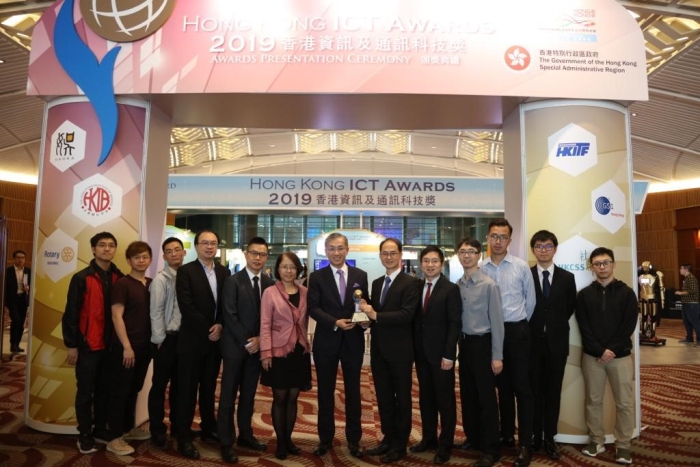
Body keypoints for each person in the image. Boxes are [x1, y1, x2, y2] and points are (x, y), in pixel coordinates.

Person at [307, 232, 369, 458]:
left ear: (347, 249)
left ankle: (354, 439)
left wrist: (364, 321)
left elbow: (363, 304)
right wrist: (335, 322)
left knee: (353, 392)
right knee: (325, 392)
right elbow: (313, 308)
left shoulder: (360, 275)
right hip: (327, 341)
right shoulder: (316, 277)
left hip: (353, 342)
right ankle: (325, 439)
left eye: (340, 248)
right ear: (326, 250)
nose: (336, 252)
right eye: (331, 248)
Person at [480, 218, 536, 467]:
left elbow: (531, 303)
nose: (498, 241)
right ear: (488, 238)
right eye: (494, 236)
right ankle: (506, 435)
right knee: (501, 388)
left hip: (517, 332)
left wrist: (516, 326)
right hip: (492, 334)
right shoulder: (481, 267)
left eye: (503, 237)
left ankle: (525, 443)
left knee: (522, 388)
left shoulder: (521, 266)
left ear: (510, 241)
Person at [62, 232, 123, 454]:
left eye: (111, 245)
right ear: (93, 250)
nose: (107, 249)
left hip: (111, 346)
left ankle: (99, 429)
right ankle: (84, 433)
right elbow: (71, 313)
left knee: (105, 390)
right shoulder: (81, 277)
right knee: (85, 391)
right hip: (88, 346)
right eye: (102, 245)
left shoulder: (119, 276)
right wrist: (72, 344)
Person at [576, 247, 637, 465]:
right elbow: (584, 327)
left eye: (606, 262)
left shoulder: (627, 293)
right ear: (591, 266)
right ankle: (596, 441)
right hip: (592, 358)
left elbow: (628, 325)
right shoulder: (583, 295)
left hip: (620, 357)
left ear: (613, 264)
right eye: (597, 263)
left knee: (624, 403)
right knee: (593, 401)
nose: (602, 267)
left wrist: (610, 350)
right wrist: (599, 351)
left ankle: (623, 446)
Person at [360, 238, 419, 463]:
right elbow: (375, 313)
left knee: (402, 398)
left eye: (393, 253)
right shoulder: (376, 283)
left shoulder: (411, 283)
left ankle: (400, 444)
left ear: (400, 255)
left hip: (401, 351)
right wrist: (366, 321)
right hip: (379, 351)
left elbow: (406, 315)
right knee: (383, 397)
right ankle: (387, 437)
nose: (389, 257)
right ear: (380, 256)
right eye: (385, 253)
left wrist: (375, 316)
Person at [174, 230, 230, 460]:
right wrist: (210, 328)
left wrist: (220, 325)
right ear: (196, 246)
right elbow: (186, 306)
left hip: (215, 343)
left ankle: (209, 428)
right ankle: (183, 437)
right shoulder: (186, 272)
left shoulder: (225, 272)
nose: (209, 247)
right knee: (187, 391)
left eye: (213, 243)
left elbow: (227, 304)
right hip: (192, 342)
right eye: (205, 243)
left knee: (208, 389)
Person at [218, 237, 274, 463]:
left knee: (249, 396)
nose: (257, 258)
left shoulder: (270, 283)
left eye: (262, 254)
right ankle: (225, 441)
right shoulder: (233, 281)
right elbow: (229, 314)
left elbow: (271, 316)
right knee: (227, 397)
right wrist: (248, 341)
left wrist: (261, 339)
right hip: (235, 348)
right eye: (253, 253)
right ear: (246, 254)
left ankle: (246, 435)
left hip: (257, 350)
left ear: (266, 257)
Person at [410, 246, 461, 464]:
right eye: (426, 261)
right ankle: (429, 438)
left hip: (442, 356)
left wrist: (449, 355)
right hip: (421, 354)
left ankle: (446, 444)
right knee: (426, 399)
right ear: (421, 264)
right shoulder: (417, 286)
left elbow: (454, 324)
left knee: (445, 400)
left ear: (441, 264)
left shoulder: (450, 289)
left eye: (434, 261)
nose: (430, 265)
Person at [455, 238, 504, 467]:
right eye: (463, 252)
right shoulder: (458, 284)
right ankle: (473, 438)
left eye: (471, 252)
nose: (466, 256)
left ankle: (491, 448)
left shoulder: (489, 285)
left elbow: (497, 324)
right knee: (468, 395)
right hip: (464, 346)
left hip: (483, 346)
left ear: (478, 255)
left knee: (486, 399)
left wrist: (497, 356)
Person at [528, 230, 577, 459]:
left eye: (548, 246)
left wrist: (552, 327)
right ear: (533, 250)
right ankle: (535, 437)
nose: (544, 250)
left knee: (553, 393)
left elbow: (568, 308)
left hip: (557, 346)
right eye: (539, 246)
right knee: (534, 393)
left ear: (555, 249)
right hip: (532, 346)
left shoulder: (567, 278)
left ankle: (550, 438)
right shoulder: (526, 275)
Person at [260, 252, 312, 460]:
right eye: (284, 267)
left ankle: (288, 439)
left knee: (293, 396)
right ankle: (280, 442)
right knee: (279, 396)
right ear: (278, 269)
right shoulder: (270, 293)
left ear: (298, 269)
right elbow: (264, 324)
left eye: (292, 267)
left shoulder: (306, 292)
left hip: (299, 350)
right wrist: (265, 352)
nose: (288, 271)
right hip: (278, 351)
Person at [105, 241, 154, 456]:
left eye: (145, 257)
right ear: (128, 261)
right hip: (126, 348)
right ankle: (114, 437)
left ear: (150, 259)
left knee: (134, 389)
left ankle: (128, 429)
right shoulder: (123, 284)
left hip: (145, 347)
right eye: (137, 257)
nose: (141, 261)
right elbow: (116, 316)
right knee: (120, 392)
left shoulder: (151, 283)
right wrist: (126, 346)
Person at [148, 237, 187, 449]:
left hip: (184, 341)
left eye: (177, 250)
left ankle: (178, 427)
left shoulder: (188, 276)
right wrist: (159, 339)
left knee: (180, 387)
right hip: (166, 340)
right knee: (159, 386)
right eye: (169, 251)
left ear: (184, 253)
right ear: (164, 256)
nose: (174, 253)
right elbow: (156, 312)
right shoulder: (161, 280)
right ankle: (157, 429)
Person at [4, 250, 30, 353]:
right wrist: (5, 304)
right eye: (18, 258)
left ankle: (17, 344)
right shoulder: (8, 271)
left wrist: (28, 288)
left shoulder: (28, 271)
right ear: (14, 259)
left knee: (21, 323)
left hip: (23, 299)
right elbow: (5, 288)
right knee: (16, 320)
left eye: (23, 258)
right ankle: (13, 343)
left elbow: (31, 284)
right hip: (13, 300)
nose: (21, 260)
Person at [676, 264, 700, 345]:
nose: (680, 270)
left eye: (681, 268)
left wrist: (681, 293)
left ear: (686, 269)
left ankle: (699, 340)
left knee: (695, 322)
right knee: (687, 322)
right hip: (686, 304)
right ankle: (689, 338)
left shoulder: (691, 278)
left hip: (692, 304)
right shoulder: (686, 279)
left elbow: (693, 290)